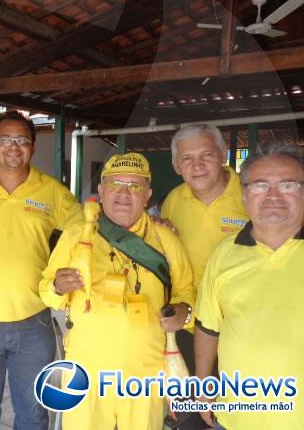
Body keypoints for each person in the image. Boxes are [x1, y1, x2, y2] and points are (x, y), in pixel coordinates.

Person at [40, 153, 195, 430]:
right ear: (101, 191)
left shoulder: (166, 239)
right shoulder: (77, 235)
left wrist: (184, 312)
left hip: (145, 371)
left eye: (134, 186)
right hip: (87, 370)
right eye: (115, 185)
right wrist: (57, 286)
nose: (124, 193)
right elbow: (46, 290)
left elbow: (185, 290)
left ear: (147, 194)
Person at [0, 110, 81, 430]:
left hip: (34, 320)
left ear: (33, 148)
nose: (14, 146)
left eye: (22, 140)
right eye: (6, 140)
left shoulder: (51, 191)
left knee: (34, 410)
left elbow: (86, 230)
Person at [195, 142, 304, 430]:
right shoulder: (224, 253)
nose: (273, 196)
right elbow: (208, 326)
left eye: (288, 186)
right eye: (260, 186)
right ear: (244, 196)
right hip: (236, 418)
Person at [160, 124, 249, 429]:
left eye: (206, 155)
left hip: (239, 330)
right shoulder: (173, 200)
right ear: (176, 165)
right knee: (190, 418)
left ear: (223, 156)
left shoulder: (250, 195)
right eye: (187, 159)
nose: (197, 165)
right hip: (189, 328)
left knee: (237, 416)